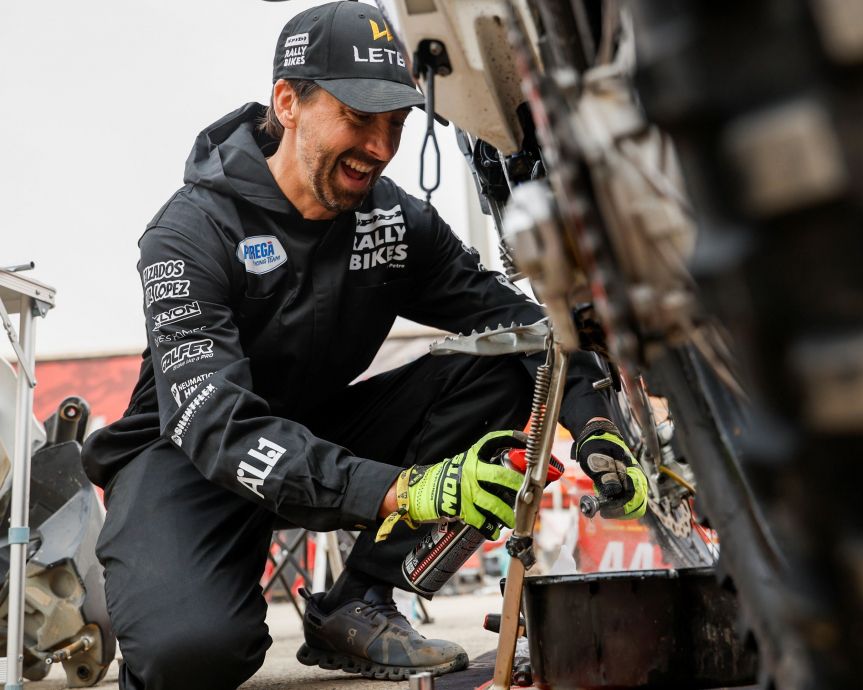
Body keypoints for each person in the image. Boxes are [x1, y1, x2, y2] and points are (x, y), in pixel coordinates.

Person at [80, 2, 647, 688]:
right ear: (287, 102)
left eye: (397, 124)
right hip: (190, 453)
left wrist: (593, 420)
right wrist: (405, 490)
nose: (380, 146)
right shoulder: (188, 234)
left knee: (504, 368)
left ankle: (358, 602)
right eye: (358, 117)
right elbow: (217, 424)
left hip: (317, 423)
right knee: (189, 656)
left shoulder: (392, 220)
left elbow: (524, 324)